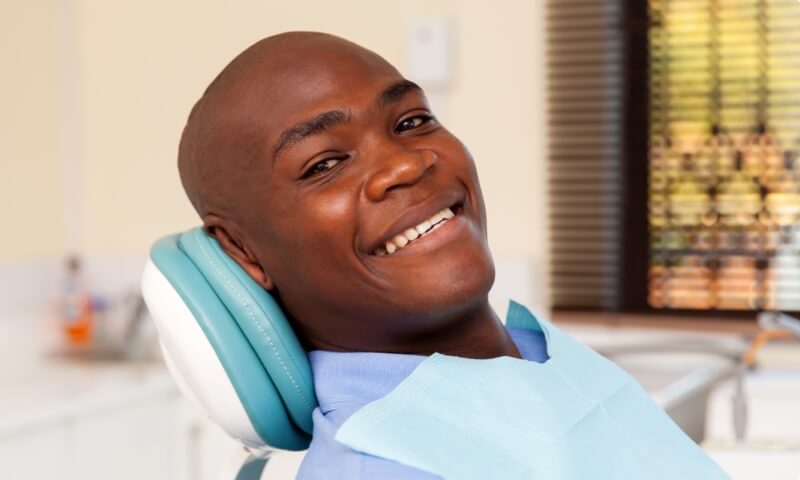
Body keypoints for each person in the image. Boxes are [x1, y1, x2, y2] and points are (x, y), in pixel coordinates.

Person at [177, 32, 726, 479]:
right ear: (242, 251)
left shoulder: (540, 355)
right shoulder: (386, 465)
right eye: (323, 164)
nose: (406, 165)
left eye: (411, 122)